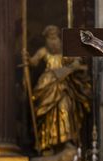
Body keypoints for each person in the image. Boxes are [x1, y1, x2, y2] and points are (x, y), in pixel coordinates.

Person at [24, 25, 91, 153]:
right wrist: (27, 58)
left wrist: (76, 62)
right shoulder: (43, 51)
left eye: (55, 37)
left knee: (65, 107)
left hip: (63, 84)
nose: (53, 40)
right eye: (50, 37)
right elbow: (33, 62)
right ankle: (47, 144)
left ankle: (66, 141)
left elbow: (77, 60)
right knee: (47, 112)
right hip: (47, 82)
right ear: (47, 39)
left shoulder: (64, 52)